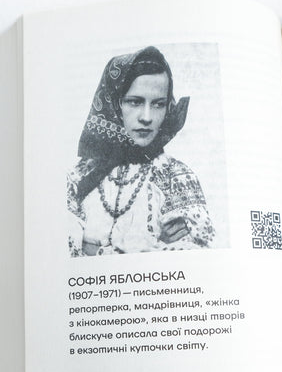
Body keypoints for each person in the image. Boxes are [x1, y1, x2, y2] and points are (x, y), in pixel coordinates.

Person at [67, 46, 215, 256]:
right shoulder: (81, 175)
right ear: (114, 103)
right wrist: (151, 245)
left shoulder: (176, 177)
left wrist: (92, 248)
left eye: (158, 104)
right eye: (135, 102)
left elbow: (194, 255)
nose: (146, 117)